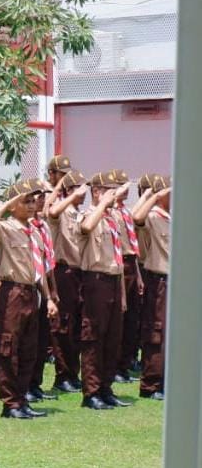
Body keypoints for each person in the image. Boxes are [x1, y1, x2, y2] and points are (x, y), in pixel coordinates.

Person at [0, 180, 57, 419]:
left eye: (34, 200)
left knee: (29, 349)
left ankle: (22, 399)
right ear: (14, 206)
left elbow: (39, 269)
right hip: (12, 292)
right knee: (8, 347)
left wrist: (48, 298)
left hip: (31, 292)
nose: (33, 205)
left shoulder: (35, 231)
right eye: (27, 201)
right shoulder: (6, 227)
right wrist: (7, 205)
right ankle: (10, 402)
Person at [77, 172, 132, 410]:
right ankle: (91, 392)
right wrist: (102, 205)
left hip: (113, 281)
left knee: (112, 339)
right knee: (93, 338)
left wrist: (122, 294)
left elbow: (119, 260)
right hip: (95, 281)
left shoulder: (114, 220)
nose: (115, 193)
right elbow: (87, 228)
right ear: (97, 191)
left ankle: (106, 388)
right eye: (110, 189)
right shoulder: (89, 214)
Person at [45, 165, 88, 393]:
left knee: (77, 327)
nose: (84, 194)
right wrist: (66, 192)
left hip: (80, 274)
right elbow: (50, 211)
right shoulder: (61, 212)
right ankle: (63, 376)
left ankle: (73, 373)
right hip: (65, 273)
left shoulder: (79, 214)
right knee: (64, 326)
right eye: (80, 189)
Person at [132, 175, 171, 399]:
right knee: (156, 333)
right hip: (158, 281)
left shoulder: (174, 217)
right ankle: (150, 384)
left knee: (170, 335)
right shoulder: (153, 217)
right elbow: (136, 217)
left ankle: (166, 381)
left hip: (174, 282)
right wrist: (153, 194)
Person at [110, 169, 144, 384]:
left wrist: (138, 275)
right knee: (119, 321)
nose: (124, 191)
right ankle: (115, 367)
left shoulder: (125, 212)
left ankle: (125, 363)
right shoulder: (110, 213)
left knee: (132, 319)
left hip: (132, 264)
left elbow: (133, 245)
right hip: (119, 265)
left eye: (126, 187)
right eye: (119, 187)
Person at [25, 186, 59, 403]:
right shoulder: (26, 227)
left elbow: (48, 262)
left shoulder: (43, 226)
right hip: (32, 286)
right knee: (29, 340)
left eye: (42, 197)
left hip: (46, 283)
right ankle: (26, 384)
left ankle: (35, 383)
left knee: (41, 339)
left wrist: (53, 291)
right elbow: (34, 265)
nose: (40, 201)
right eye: (36, 198)